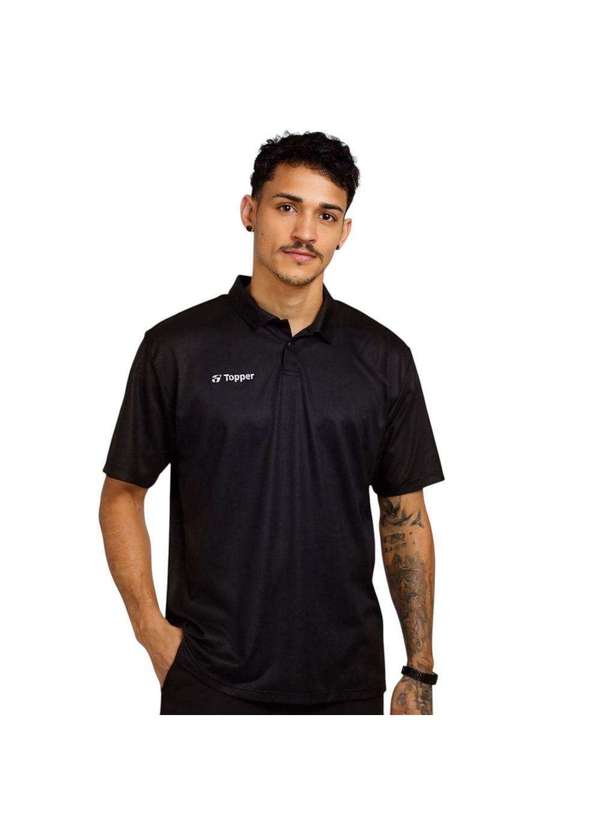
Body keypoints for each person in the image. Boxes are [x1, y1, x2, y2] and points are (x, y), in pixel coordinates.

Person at [98, 130, 445, 715]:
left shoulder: (384, 358)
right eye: (287, 207)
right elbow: (122, 495)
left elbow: (404, 516)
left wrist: (419, 670)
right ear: (250, 212)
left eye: (326, 215)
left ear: (344, 232)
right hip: (209, 680)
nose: (305, 232)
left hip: (347, 681)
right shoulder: (177, 348)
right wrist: (153, 634)